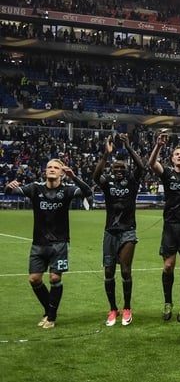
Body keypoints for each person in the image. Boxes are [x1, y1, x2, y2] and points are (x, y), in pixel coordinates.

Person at [5, 158, 91, 329]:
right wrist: (9, 186)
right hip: (38, 243)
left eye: (56, 168)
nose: (52, 169)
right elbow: (10, 192)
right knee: (34, 279)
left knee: (54, 278)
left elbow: (88, 192)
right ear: (45, 171)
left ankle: (51, 317)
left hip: (59, 243)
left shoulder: (68, 190)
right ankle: (49, 310)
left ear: (61, 173)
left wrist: (74, 177)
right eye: (49, 167)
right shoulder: (35, 188)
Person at [147, 133, 180, 322]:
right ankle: (168, 302)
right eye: (176, 154)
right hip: (170, 225)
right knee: (168, 266)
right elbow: (152, 164)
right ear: (172, 159)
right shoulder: (168, 174)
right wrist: (158, 146)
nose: (179, 156)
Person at [92, 133, 145, 327]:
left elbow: (141, 167)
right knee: (108, 272)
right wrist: (107, 154)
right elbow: (95, 176)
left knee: (125, 270)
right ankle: (113, 309)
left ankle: (127, 308)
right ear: (112, 170)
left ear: (126, 170)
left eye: (122, 167)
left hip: (128, 231)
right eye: (116, 168)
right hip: (110, 231)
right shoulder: (107, 183)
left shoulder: (132, 182)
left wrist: (128, 146)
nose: (119, 170)